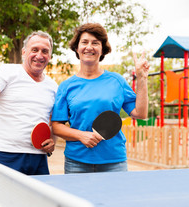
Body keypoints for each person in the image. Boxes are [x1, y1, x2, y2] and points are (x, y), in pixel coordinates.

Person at [51, 23, 149, 173]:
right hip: (76, 162)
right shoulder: (66, 86)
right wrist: (81, 135)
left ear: (102, 49)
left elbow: (140, 113)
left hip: (114, 162)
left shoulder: (117, 81)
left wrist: (142, 78)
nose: (89, 47)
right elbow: (57, 126)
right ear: (77, 48)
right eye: (84, 42)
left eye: (95, 43)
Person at [0, 31, 58, 175]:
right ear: (24, 52)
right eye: (34, 50)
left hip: (39, 157)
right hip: (5, 154)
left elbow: (53, 121)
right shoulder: (6, 71)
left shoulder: (53, 86)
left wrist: (53, 141)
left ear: (49, 56)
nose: (39, 55)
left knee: (37, 198)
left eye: (45, 51)